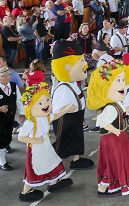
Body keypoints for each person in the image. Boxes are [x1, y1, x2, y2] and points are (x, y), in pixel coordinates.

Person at [17, 82, 75, 202]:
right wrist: (35, 140)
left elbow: (57, 115)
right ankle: (25, 191)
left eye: (48, 100)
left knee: (52, 161)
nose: (46, 104)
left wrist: (67, 109)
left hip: (45, 144)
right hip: (35, 148)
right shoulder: (30, 123)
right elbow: (21, 137)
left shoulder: (46, 117)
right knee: (33, 170)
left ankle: (54, 182)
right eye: (40, 103)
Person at [87, 61, 129, 196]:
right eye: (118, 80)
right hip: (112, 139)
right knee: (113, 163)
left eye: (122, 80)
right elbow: (102, 122)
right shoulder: (110, 107)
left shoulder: (116, 104)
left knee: (120, 161)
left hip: (118, 138)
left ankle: (115, 184)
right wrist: (114, 130)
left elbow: (119, 116)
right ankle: (103, 188)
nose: (122, 84)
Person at [50, 41, 94, 169]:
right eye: (81, 61)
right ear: (68, 67)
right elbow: (55, 110)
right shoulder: (63, 87)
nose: (85, 64)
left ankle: (76, 159)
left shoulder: (73, 83)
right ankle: (52, 161)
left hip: (76, 117)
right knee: (63, 141)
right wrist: (67, 109)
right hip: (65, 119)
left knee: (77, 138)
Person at [0, 66, 25, 170]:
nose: (7, 77)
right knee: (1, 139)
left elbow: (19, 100)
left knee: (8, 137)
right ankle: (2, 162)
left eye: (8, 75)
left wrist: (22, 112)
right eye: (4, 76)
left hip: (10, 117)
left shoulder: (13, 86)